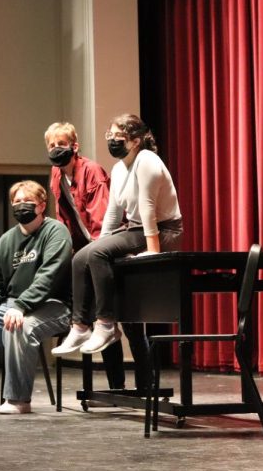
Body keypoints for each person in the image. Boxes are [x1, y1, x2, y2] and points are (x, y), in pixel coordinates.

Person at [52, 114, 183, 357]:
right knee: (82, 257)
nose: (112, 141)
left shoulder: (146, 160)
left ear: (135, 141)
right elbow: (112, 215)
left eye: (118, 137)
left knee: (98, 253)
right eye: (109, 136)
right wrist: (96, 246)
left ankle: (106, 324)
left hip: (163, 229)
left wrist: (153, 250)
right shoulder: (119, 168)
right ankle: (80, 326)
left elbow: (147, 207)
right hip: (136, 228)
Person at [0, 180, 72, 414]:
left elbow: (49, 276)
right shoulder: (7, 240)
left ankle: (18, 400)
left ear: (41, 205)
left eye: (28, 201)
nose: (22, 206)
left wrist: (21, 305)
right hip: (12, 304)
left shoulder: (56, 232)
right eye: (17, 202)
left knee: (19, 325)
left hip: (54, 305)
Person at [44, 122, 132, 391]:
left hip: (107, 244)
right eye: (52, 145)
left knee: (123, 320)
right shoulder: (56, 174)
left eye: (62, 144)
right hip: (87, 249)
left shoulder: (91, 170)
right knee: (97, 312)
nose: (56, 150)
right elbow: (65, 217)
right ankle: (115, 385)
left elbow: (102, 218)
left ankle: (140, 385)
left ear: (74, 146)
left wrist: (93, 254)